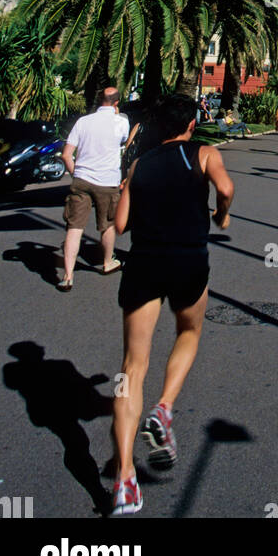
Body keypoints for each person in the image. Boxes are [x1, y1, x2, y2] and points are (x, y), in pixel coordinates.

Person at [110, 93, 234, 515]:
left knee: (130, 369)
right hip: (187, 261)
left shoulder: (140, 164)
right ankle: (163, 409)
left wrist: (129, 189)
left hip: (143, 263)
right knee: (189, 331)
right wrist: (222, 213)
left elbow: (120, 226)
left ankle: (125, 480)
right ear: (192, 124)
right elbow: (227, 188)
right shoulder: (203, 152)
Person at [58, 87, 130, 290]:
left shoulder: (83, 122)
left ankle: (68, 275)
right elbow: (124, 141)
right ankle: (107, 262)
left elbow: (66, 155)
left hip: (81, 180)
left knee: (74, 227)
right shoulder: (121, 122)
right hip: (107, 181)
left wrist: (76, 174)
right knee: (107, 224)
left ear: (99, 101)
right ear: (116, 103)